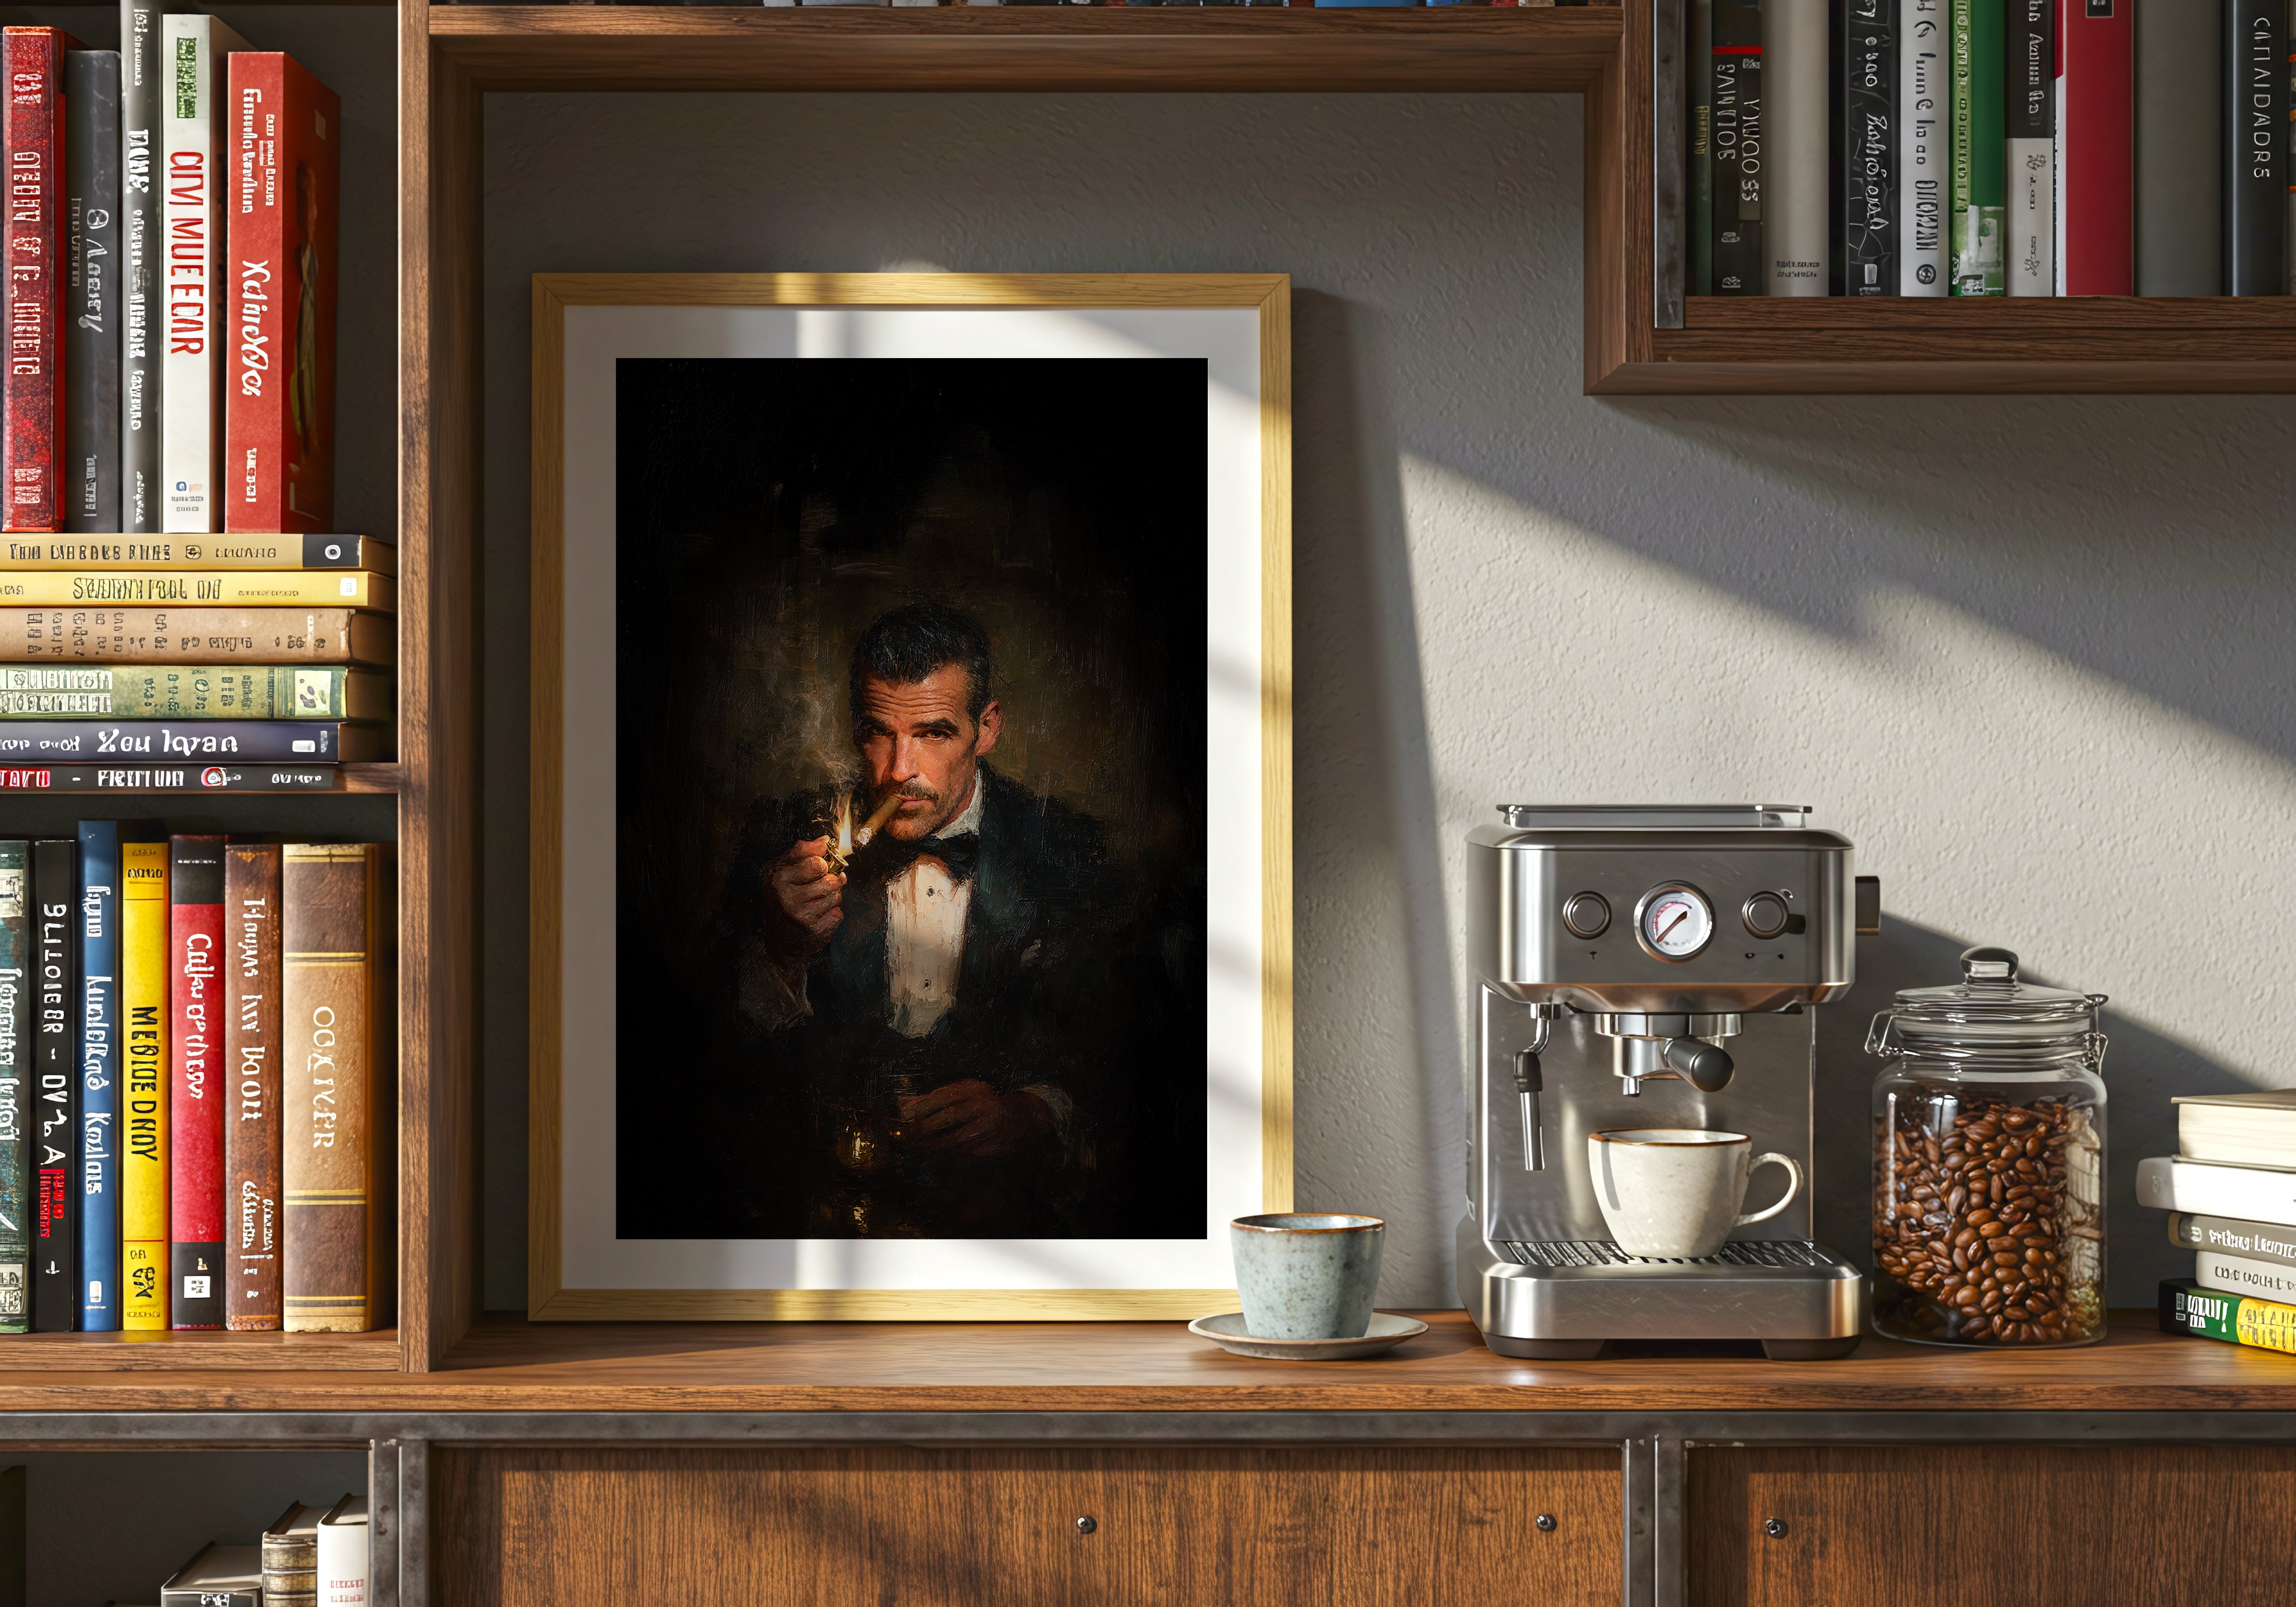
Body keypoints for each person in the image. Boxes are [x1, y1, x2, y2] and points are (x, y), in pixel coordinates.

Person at [716, 601, 1126, 1238]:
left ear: (985, 729)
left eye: (933, 733)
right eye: (881, 731)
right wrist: (781, 956)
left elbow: (1128, 1068)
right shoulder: (782, 844)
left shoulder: (1073, 854)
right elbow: (714, 1074)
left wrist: (1032, 1114)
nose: (899, 770)